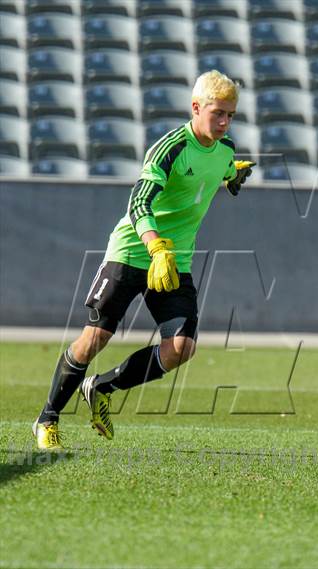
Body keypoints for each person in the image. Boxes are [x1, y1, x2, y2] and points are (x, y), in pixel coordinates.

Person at [32, 70, 256, 450]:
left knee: (181, 348)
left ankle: (103, 386)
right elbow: (139, 202)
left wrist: (230, 176)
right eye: (218, 113)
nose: (224, 122)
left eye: (230, 115)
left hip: (175, 262)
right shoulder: (169, 148)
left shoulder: (225, 150)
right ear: (196, 107)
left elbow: (209, 175)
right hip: (134, 251)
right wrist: (155, 248)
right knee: (94, 339)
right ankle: (47, 419)